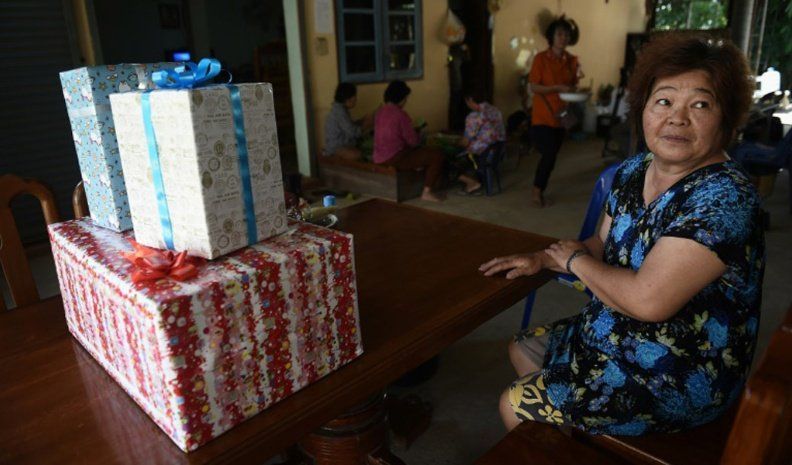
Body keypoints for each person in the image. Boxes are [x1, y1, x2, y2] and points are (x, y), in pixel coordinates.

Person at [480, 35, 765, 436]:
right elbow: (601, 244)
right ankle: (577, 441)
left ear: (727, 118)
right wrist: (544, 258)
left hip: (681, 369)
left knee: (515, 402)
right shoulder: (634, 170)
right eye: (663, 101)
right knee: (522, 346)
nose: (677, 118)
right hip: (617, 330)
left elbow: (649, 301)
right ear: (643, 108)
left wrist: (573, 261)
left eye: (700, 105)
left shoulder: (724, 198)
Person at [528, 16, 582, 207]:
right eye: (559, 34)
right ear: (551, 36)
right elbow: (534, 87)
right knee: (549, 154)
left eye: (566, 34)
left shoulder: (572, 60)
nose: (563, 37)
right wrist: (556, 88)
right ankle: (536, 192)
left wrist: (576, 86)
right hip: (543, 115)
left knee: (552, 156)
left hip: (561, 116)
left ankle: (539, 189)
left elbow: (573, 86)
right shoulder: (541, 59)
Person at [374, 80, 445, 202]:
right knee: (437, 155)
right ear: (401, 98)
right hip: (394, 158)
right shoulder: (400, 114)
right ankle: (426, 192)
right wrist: (418, 133)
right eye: (406, 98)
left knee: (415, 153)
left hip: (378, 157)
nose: (406, 101)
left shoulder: (380, 112)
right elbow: (413, 142)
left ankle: (417, 167)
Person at [453, 90, 507, 194]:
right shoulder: (495, 110)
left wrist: (455, 142)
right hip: (497, 151)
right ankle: (479, 179)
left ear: (470, 100)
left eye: (466, 101)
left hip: (482, 153)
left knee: (451, 160)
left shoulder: (474, 116)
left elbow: (465, 141)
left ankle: (473, 183)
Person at [324, 82, 373, 160]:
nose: (356, 99)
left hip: (340, 144)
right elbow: (353, 132)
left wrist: (362, 120)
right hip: (335, 147)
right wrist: (366, 125)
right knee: (358, 154)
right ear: (348, 99)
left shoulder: (340, 109)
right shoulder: (339, 112)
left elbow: (349, 126)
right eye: (355, 97)